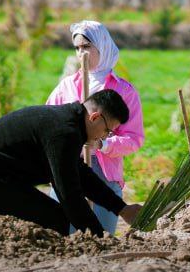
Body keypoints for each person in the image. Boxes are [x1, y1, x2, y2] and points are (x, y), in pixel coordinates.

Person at [0, 90, 142, 237]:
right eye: (108, 130)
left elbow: (80, 175)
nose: (105, 136)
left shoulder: (65, 122)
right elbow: (69, 193)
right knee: (56, 220)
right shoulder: (64, 132)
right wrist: (100, 239)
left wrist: (122, 209)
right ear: (95, 117)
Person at [45, 20, 144, 234]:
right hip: (68, 169)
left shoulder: (123, 90)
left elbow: (134, 139)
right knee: (63, 235)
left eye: (87, 47)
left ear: (102, 46)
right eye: (78, 48)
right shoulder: (67, 86)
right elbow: (48, 124)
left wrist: (102, 144)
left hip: (105, 174)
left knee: (102, 237)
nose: (82, 53)